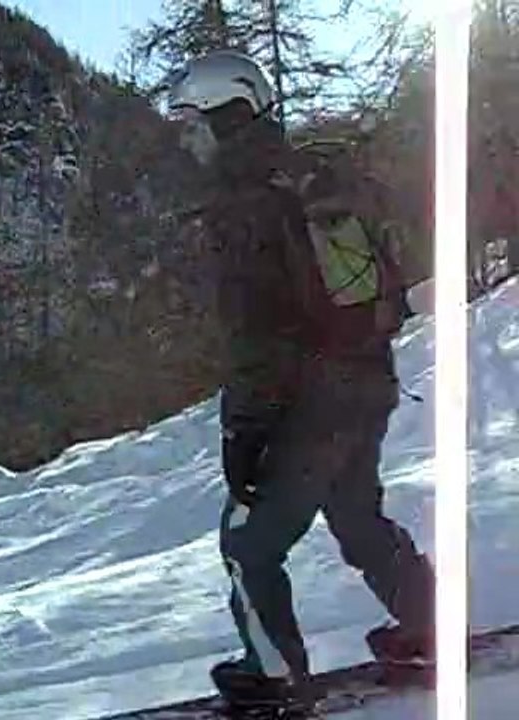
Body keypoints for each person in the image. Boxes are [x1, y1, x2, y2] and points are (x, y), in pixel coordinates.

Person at [162, 50, 437, 708]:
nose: (188, 140)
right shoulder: (312, 175)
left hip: (307, 402)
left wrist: (247, 432)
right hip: (368, 380)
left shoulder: (245, 206)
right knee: (356, 518)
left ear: (228, 115)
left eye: (193, 124)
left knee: (248, 542)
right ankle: (432, 630)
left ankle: (273, 677)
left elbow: (258, 336)